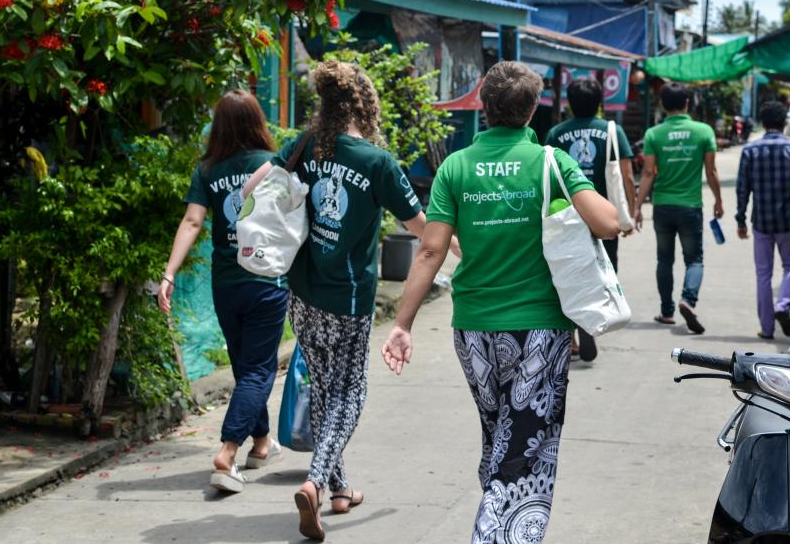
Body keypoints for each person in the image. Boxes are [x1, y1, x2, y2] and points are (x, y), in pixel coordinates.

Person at [381, 61, 619, 543]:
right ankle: (494, 535)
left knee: (502, 440)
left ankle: (500, 525)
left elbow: (430, 249)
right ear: (533, 110)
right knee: (525, 451)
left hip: (473, 330)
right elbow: (609, 223)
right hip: (539, 328)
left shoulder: (456, 166)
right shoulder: (551, 161)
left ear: (483, 108)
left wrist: (402, 323)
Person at [247, 61, 432, 541]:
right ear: (365, 106)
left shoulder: (306, 146)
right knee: (351, 392)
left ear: (325, 105)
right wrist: (469, 253)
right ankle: (314, 482)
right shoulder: (377, 162)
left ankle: (340, 488)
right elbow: (425, 232)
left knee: (327, 388)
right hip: (347, 299)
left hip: (302, 293)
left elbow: (252, 187)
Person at [159, 89, 288, 494]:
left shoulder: (208, 168)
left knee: (245, 365)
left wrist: (169, 272)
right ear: (256, 122)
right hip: (266, 280)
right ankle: (228, 451)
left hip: (227, 284)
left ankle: (263, 443)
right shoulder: (272, 164)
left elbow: (193, 222)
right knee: (259, 369)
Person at [543, 76, 634, 361]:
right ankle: (591, 322)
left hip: (566, 216)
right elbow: (626, 175)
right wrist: (628, 213)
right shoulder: (612, 130)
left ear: (569, 103)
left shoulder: (556, 133)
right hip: (603, 214)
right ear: (600, 103)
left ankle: (569, 334)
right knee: (603, 269)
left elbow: (546, 176)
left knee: (565, 272)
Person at [632, 82, 722, 334]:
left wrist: (638, 207)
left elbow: (648, 173)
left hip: (662, 206)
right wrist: (718, 200)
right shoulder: (703, 131)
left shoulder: (653, 134)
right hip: (690, 206)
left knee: (664, 260)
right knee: (694, 259)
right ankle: (688, 300)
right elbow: (711, 171)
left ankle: (667, 311)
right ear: (687, 104)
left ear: (662, 104)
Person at [735, 100, 790, 340]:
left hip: (761, 222)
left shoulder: (750, 151)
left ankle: (767, 328)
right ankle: (783, 306)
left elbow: (742, 189)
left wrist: (740, 220)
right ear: (784, 123)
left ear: (762, 123)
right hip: (788, 221)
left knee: (763, 274)